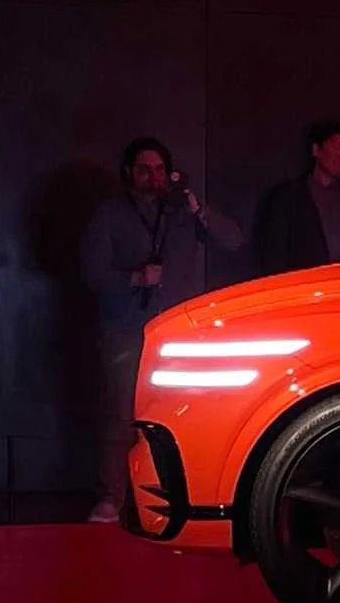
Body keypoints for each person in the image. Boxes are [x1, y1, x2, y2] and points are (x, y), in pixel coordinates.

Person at [79, 137, 244, 523]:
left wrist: (197, 208)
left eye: (159, 170)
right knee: (121, 413)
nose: (153, 177)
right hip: (125, 326)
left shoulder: (182, 212)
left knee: (177, 415)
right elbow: (92, 272)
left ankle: (173, 498)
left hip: (177, 329)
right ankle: (112, 496)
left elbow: (233, 240)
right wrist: (136, 278)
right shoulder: (110, 213)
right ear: (128, 172)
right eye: (144, 169)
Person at [255, 120, 340, 276]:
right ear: (316, 150)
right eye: (337, 147)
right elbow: (274, 256)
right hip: (305, 285)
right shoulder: (287, 198)